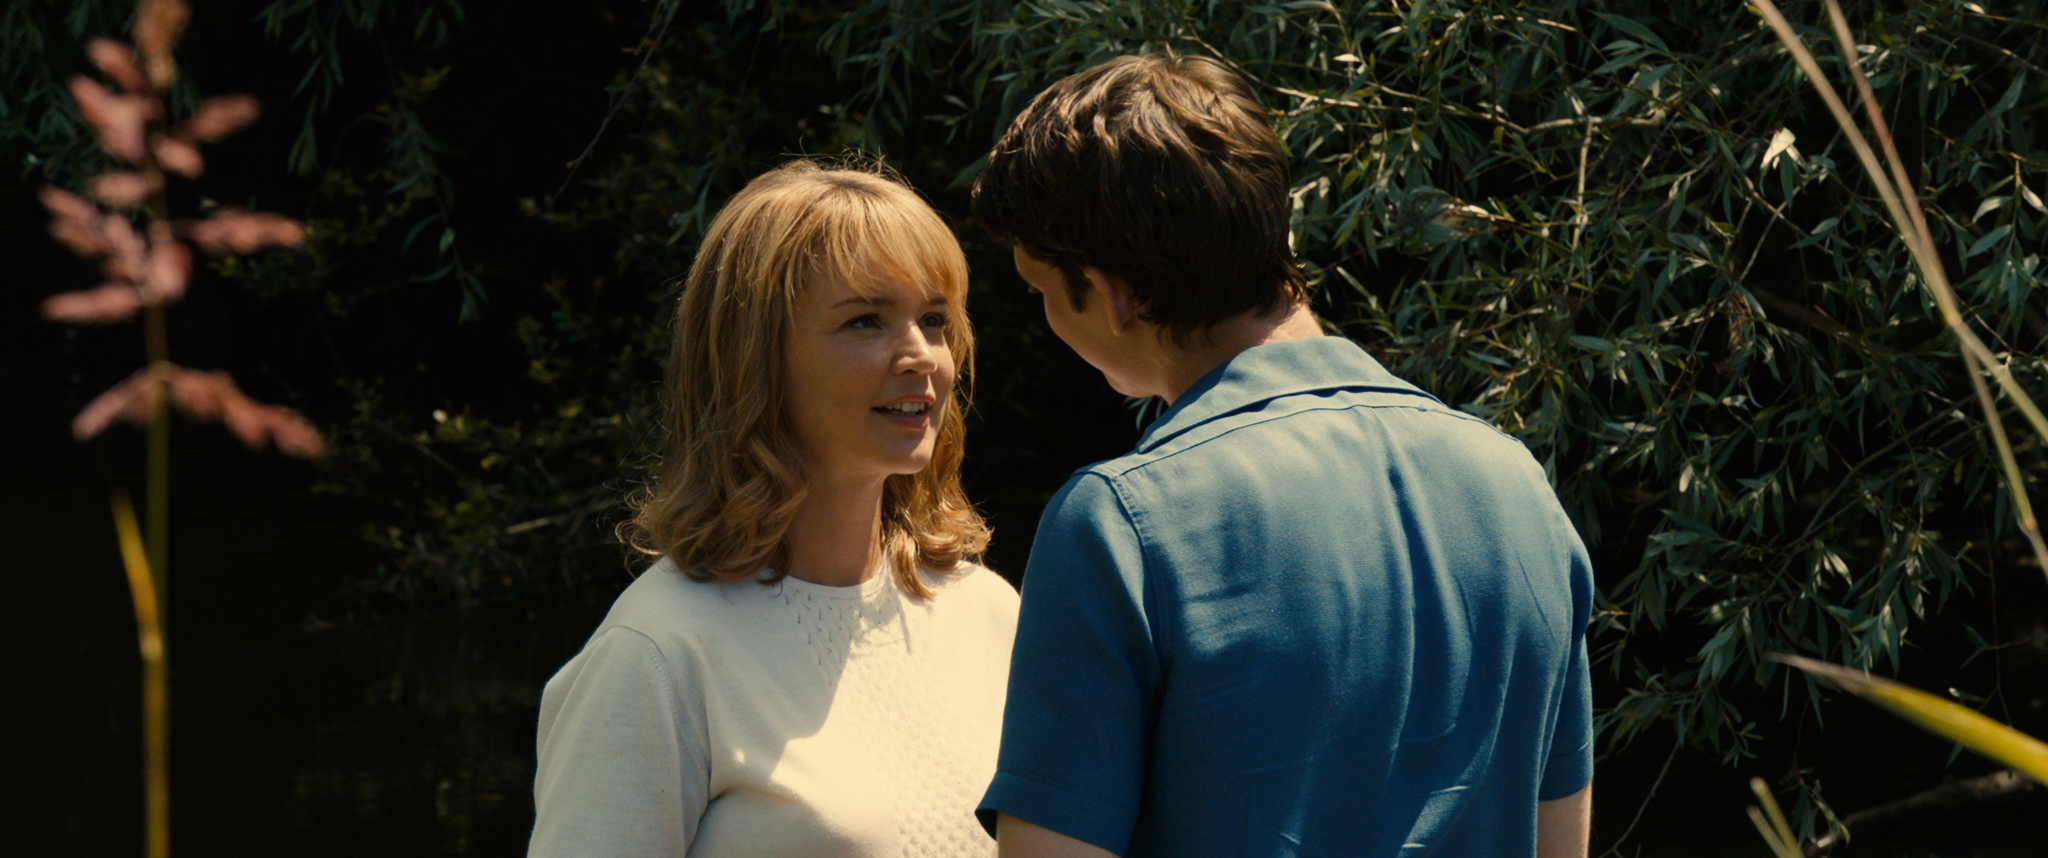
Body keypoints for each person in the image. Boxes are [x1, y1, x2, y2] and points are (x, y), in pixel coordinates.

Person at [970, 53, 1595, 858]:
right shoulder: (1519, 487)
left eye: (1040, 291)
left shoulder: (1118, 527)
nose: (1048, 318)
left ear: (1113, 292)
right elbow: (1560, 843)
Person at [528, 159, 1020, 857]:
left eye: (934, 320)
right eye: (865, 321)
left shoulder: (989, 615)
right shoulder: (655, 655)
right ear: (754, 359)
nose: (921, 356)